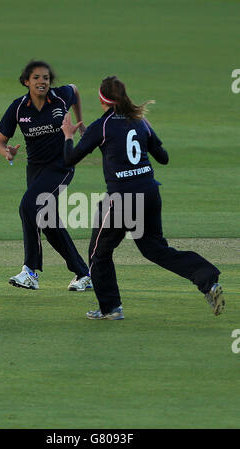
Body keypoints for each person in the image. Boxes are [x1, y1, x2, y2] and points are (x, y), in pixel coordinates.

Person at [61, 75, 225, 319]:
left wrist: (68, 135)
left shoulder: (102, 126)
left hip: (123, 199)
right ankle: (207, 279)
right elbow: (164, 157)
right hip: (149, 193)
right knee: (155, 249)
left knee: (99, 254)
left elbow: (69, 160)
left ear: (101, 99)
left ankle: (111, 308)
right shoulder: (140, 121)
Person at [0, 60, 92, 291]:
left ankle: (30, 271)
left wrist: (80, 122)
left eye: (46, 78)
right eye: (37, 78)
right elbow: (1, 142)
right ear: (26, 81)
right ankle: (84, 274)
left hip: (61, 166)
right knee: (47, 222)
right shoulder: (18, 108)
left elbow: (75, 89)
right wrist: (7, 153)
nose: (42, 82)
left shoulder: (60, 97)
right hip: (35, 169)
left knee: (28, 206)